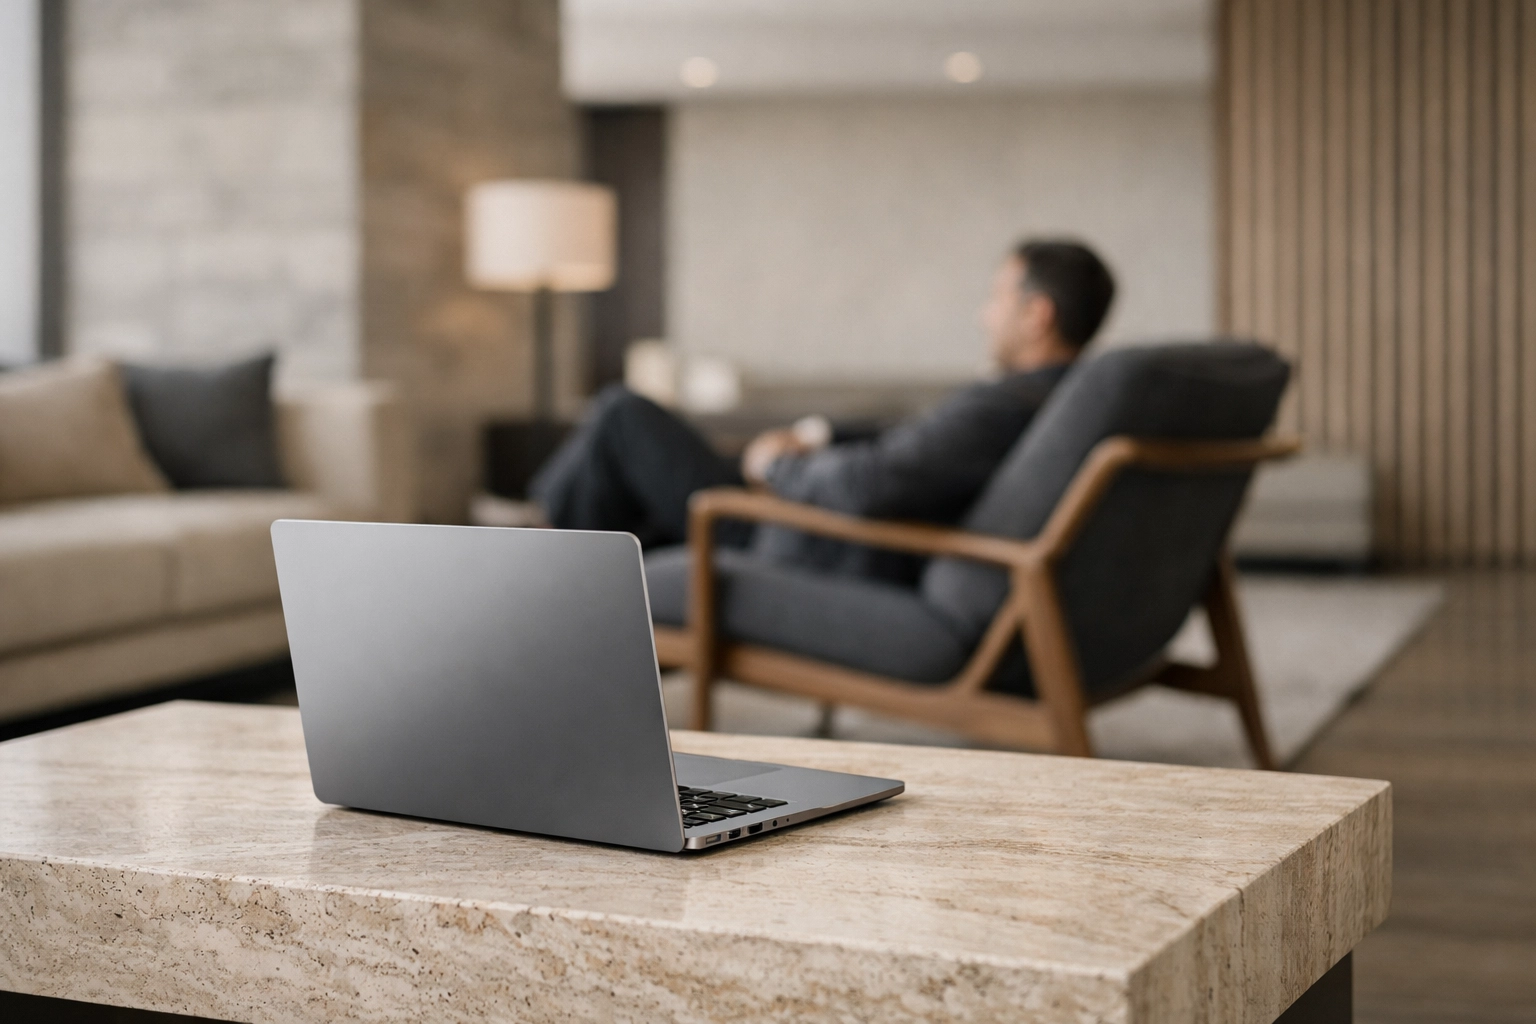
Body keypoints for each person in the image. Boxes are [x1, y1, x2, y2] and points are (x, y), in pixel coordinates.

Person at [529, 238, 1115, 580]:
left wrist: (773, 468)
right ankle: (559, 558)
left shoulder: (1004, 402)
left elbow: (874, 482)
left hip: (800, 538)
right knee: (622, 483)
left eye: (997, 298)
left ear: (1037, 315)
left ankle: (543, 556)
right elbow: (911, 443)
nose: (985, 314)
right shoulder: (1058, 401)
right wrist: (815, 434)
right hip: (821, 519)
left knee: (621, 415)